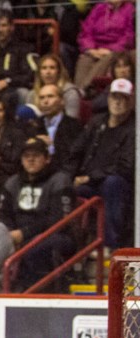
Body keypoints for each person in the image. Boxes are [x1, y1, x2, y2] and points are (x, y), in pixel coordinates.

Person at [63, 78, 136, 250]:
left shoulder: (135, 128)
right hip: (91, 183)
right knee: (63, 186)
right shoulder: (97, 122)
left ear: (131, 101)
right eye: (114, 97)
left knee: (113, 184)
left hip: (118, 184)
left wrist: (90, 177)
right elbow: (76, 151)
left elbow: (126, 166)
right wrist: (68, 176)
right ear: (108, 99)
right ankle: (71, 248)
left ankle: (111, 246)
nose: (118, 102)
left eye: (123, 98)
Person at [0, 138, 76, 292]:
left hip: (55, 235)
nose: (31, 159)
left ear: (47, 158)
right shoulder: (13, 182)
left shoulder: (59, 180)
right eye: (26, 156)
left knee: (36, 247)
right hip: (17, 234)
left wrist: (25, 233)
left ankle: (31, 293)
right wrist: (10, 232)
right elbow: (3, 214)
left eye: (36, 155)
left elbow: (59, 219)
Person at [73, 0, 136, 90]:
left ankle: (84, 89)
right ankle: (79, 93)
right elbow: (86, 32)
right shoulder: (99, 8)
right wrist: (91, 49)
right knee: (84, 59)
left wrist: (110, 49)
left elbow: (129, 36)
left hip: (117, 49)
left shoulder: (130, 10)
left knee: (110, 57)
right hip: (96, 49)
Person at [28, 83, 82, 171]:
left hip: (63, 172)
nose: (45, 101)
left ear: (62, 101)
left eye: (50, 96)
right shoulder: (33, 125)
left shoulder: (74, 126)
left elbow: (75, 157)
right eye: (42, 98)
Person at [0, 11, 39, 104]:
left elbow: (30, 75)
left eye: (3, 25)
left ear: (11, 27)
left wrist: (8, 81)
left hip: (13, 88)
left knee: (23, 93)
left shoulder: (24, 49)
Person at [28, 53, 82, 120]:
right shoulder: (32, 94)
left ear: (58, 71)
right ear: (39, 72)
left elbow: (72, 120)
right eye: (44, 68)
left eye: (52, 68)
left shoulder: (70, 92)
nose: (48, 72)